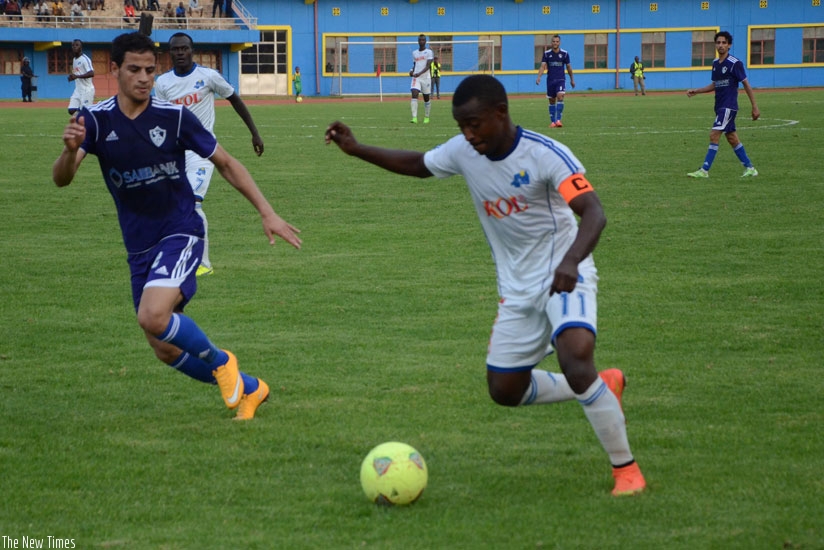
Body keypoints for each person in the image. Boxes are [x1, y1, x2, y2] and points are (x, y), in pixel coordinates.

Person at [324, 74, 646, 497]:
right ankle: (602, 386)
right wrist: (357, 148)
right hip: (516, 288)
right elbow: (419, 165)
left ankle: (626, 471)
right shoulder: (463, 151)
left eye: (475, 124)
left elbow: (594, 212)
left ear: (501, 113)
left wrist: (571, 260)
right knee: (505, 390)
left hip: (564, 272)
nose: (468, 134)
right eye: (461, 126)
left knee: (576, 353)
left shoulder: (546, 154)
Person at [52, 32, 301, 421]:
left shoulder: (174, 117)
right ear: (114, 70)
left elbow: (228, 164)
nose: (144, 78)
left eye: (150, 70)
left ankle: (222, 363)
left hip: (181, 231)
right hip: (138, 245)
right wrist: (69, 153)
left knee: (152, 317)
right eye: (134, 69)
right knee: (164, 347)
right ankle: (251, 388)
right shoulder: (95, 120)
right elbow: (62, 179)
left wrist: (267, 212)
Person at [154, 32, 265, 277]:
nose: (180, 53)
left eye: (184, 48)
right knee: (171, 207)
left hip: (203, 152)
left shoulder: (208, 77)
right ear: (170, 53)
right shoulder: (162, 84)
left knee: (193, 203)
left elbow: (235, 100)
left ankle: (203, 263)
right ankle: (177, 255)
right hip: (175, 154)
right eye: (176, 49)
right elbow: (160, 119)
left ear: (192, 51)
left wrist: (254, 133)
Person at [686, 31, 760, 179]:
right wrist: (697, 91)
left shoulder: (735, 63)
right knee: (732, 138)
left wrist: (754, 106)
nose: (721, 45)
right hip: (720, 105)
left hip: (729, 106)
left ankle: (704, 170)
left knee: (714, 134)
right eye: (718, 43)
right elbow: (715, 84)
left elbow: (746, 84)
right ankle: (750, 168)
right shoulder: (715, 64)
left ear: (729, 45)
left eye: (724, 43)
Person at [536, 34, 575, 128]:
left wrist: (572, 79)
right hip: (550, 80)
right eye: (553, 41)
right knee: (552, 100)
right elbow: (542, 66)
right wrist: (539, 77)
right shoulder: (546, 54)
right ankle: (553, 122)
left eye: (557, 41)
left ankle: (558, 120)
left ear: (559, 42)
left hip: (561, 79)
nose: (555, 43)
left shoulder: (565, 54)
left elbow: (569, 67)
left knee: (560, 96)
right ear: (551, 42)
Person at [409, 33, 433, 124]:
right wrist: (411, 71)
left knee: (426, 98)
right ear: (418, 41)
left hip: (426, 78)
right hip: (416, 78)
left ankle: (426, 117)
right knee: (414, 93)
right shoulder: (415, 53)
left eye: (423, 40)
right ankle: (414, 118)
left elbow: (428, 66)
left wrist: (419, 73)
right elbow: (415, 65)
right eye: (420, 40)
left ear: (425, 41)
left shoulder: (429, 52)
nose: (421, 41)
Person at [67, 39, 94, 115]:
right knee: (71, 110)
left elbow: (91, 73)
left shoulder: (85, 59)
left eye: (77, 45)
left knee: (85, 113)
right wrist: (72, 77)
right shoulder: (74, 59)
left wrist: (77, 76)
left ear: (81, 47)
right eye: (73, 45)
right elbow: (77, 72)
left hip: (87, 90)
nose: (74, 47)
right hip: (78, 90)